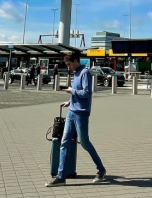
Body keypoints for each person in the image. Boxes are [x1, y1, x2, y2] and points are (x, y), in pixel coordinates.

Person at [46, 51, 107, 187]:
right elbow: (77, 92)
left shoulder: (85, 72)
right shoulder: (76, 73)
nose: (68, 67)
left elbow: (86, 93)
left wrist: (71, 91)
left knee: (85, 143)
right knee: (64, 142)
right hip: (71, 112)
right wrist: (69, 101)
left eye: (69, 64)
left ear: (75, 61)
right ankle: (61, 176)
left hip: (81, 114)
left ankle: (101, 169)